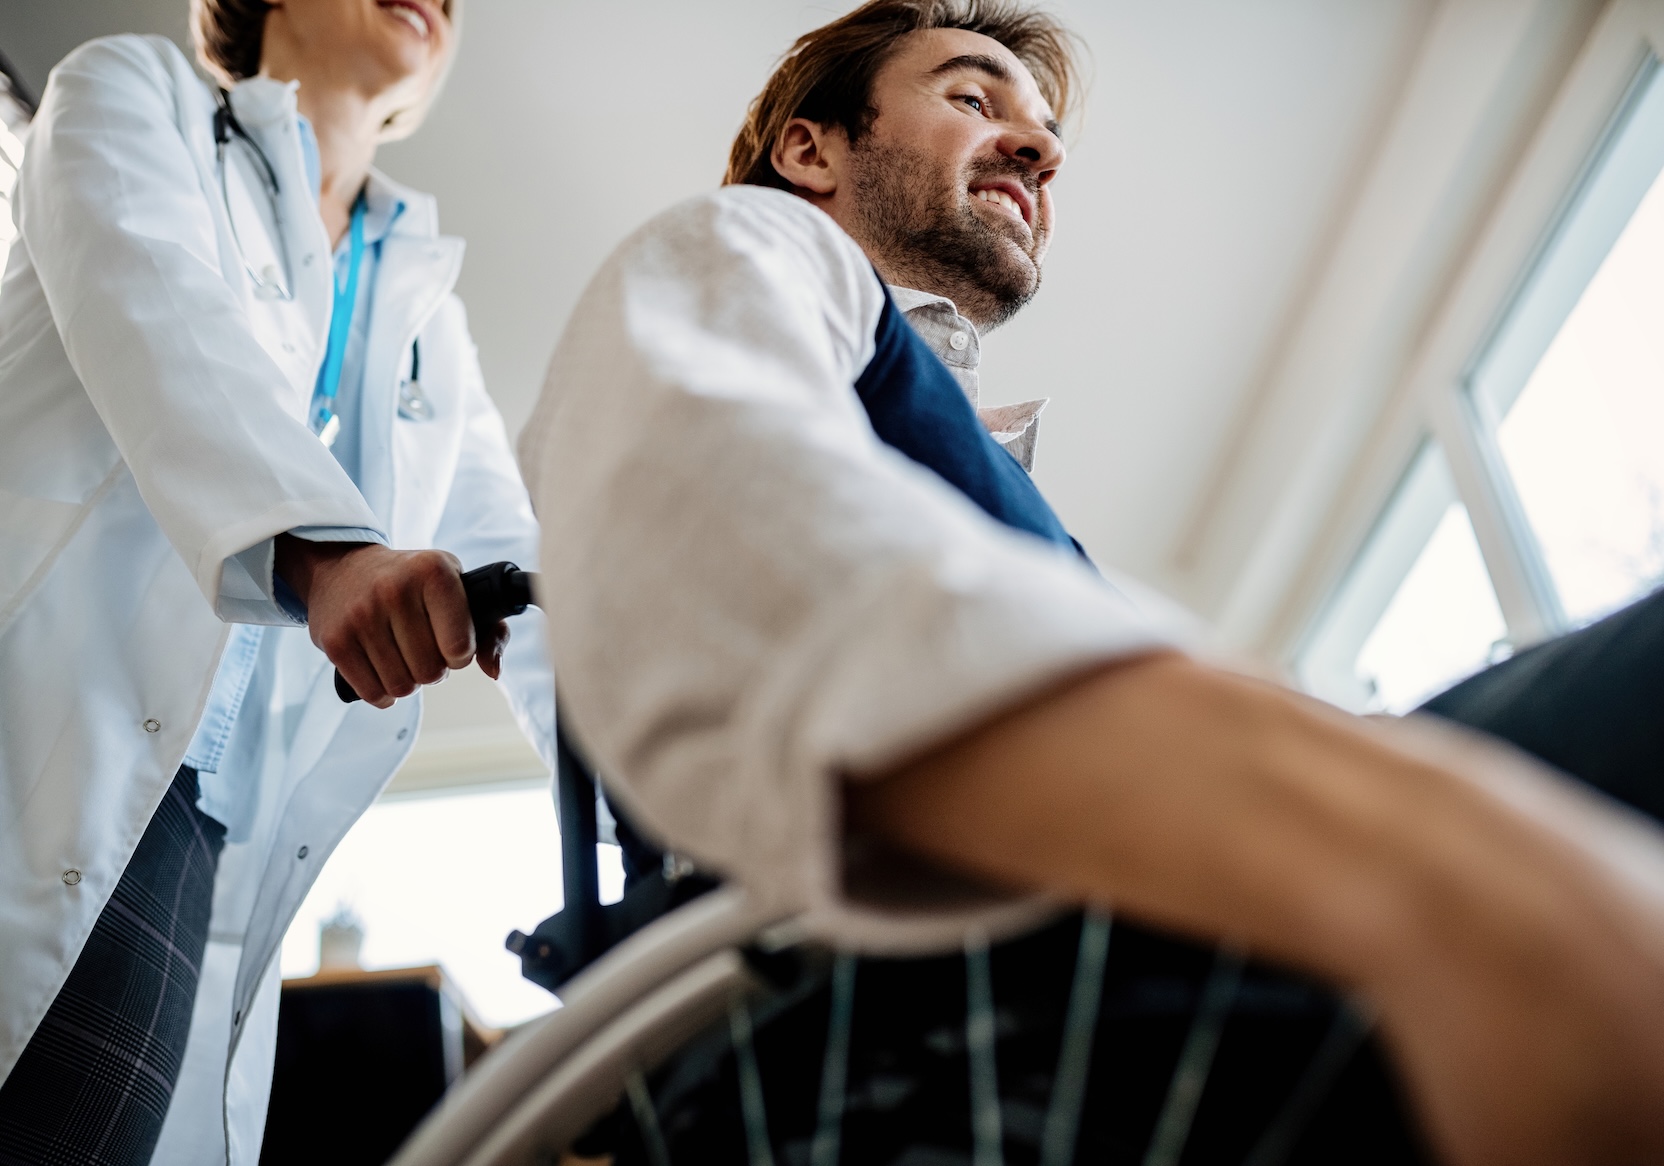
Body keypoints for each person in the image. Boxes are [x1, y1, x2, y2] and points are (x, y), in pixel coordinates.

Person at [518, 1, 1664, 1162]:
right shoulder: (748, 244)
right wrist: (1415, 857)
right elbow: (696, 501)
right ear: (810, 150)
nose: (1039, 149)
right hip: (940, 1005)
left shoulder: (974, 497)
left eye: (1044, 128)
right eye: (972, 97)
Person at [0, 1, 555, 1162]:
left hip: (203, 819)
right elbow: (149, 304)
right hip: (44, 720)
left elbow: (522, 566)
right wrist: (325, 553)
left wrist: (660, 792)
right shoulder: (131, 92)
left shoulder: (422, 310)